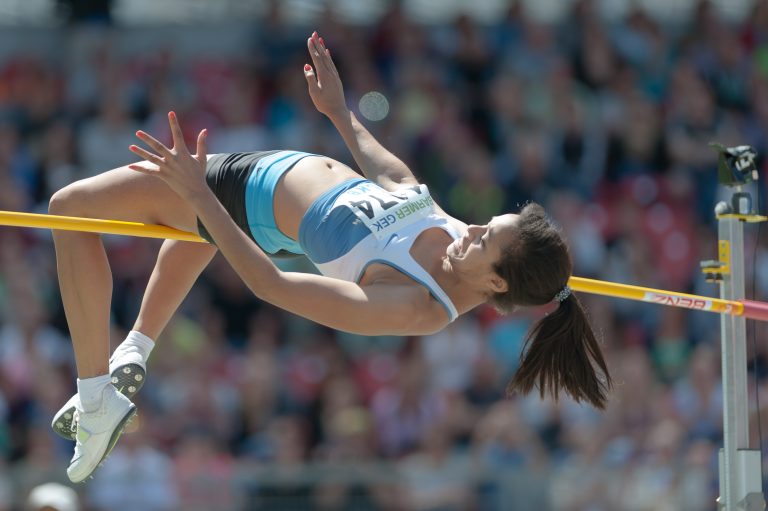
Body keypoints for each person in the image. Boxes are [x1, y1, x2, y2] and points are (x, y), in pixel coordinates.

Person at [48, 32, 612, 483]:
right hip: (267, 183)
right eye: (488, 224)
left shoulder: (416, 305)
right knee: (191, 233)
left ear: (494, 283)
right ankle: (135, 350)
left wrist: (200, 193)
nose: (473, 229)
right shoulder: (462, 244)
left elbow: (272, 286)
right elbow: (397, 179)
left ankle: (96, 394)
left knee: (67, 210)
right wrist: (341, 114)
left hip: (246, 192)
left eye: (485, 240)